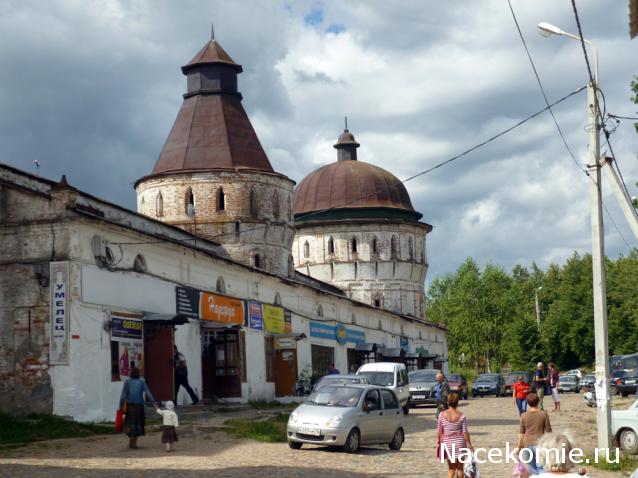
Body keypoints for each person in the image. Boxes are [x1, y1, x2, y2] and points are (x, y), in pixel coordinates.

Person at [119, 366, 157, 449]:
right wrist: (154, 403)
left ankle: (131, 439)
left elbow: (123, 396)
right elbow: (148, 393)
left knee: (130, 423)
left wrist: (120, 407)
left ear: (131, 373)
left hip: (130, 406)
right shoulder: (142, 382)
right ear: (138, 374)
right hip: (139, 406)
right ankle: (134, 442)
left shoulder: (127, 382)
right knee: (138, 423)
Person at [438, 393, 474, 478]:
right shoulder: (462, 416)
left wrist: (439, 442)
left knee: (451, 468)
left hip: (447, 443)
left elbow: (440, 431)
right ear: (457, 402)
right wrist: (469, 444)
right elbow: (465, 432)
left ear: (448, 402)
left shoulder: (441, 415)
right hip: (460, 443)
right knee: (460, 468)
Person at [516, 392, 552, 475]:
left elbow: (521, 433)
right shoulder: (544, 414)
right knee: (542, 468)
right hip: (540, 443)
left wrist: (519, 446)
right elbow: (549, 430)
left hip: (527, 443)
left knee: (531, 469)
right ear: (538, 402)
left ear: (527, 403)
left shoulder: (523, 415)